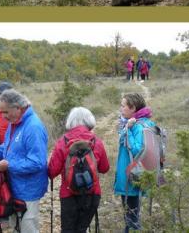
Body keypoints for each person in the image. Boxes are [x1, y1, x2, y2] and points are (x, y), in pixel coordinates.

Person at [0, 89, 49, 233]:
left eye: (6, 112)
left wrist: (9, 165)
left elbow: (38, 162)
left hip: (28, 190)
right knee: (16, 227)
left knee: (28, 228)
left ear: (18, 107)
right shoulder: (15, 123)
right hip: (13, 186)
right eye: (1, 112)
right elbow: (8, 145)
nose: (3, 116)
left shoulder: (33, 127)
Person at [47, 106, 111, 233]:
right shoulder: (96, 142)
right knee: (82, 229)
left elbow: (52, 172)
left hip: (68, 194)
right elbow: (104, 168)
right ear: (89, 121)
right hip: (92, 193)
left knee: (68, 230)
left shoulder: (62, 142)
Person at [115, 92, 157, 232]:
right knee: (131, 215)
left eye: (123, 106)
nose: (121, 108)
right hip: (135, 176)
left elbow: (137, 151)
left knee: (131, 218)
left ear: (133, 108)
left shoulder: (137, 126)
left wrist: (129, 129)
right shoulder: (143, 123)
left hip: (132, 178)